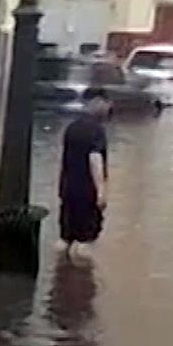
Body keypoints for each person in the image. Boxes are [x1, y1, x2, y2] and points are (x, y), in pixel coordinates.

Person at [58, 97, 110, 258]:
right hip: (87, 191)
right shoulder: (97, 131)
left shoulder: (72, 127)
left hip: (67, 188)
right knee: (85, 241)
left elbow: (64, 160)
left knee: (65, 239)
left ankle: (59, 272)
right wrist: (101, 191)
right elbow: (94, 159)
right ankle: (83, 278)